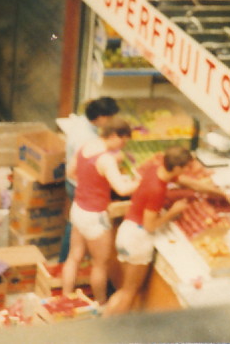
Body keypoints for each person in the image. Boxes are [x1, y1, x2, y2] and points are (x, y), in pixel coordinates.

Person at [102, 146, 194, 317]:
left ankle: (105, 320)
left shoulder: (154, 170)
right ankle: (112, 329)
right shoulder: (157, 191)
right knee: (129, 293)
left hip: (126, 232)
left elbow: (182, 182)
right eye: (185, 168)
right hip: (138, 240)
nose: (186, 171)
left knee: (124, 290)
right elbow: (150, 225)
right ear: (176, 168)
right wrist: (173, 212)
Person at [61, 116, 137, 304]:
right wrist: (141, 181)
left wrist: (90, 184)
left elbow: (71, 172)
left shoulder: (86, 147)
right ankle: (101, 303)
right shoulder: (106, 160)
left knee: (74, 257)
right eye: (122, 141)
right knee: (100, 265)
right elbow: (122, 189)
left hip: (78, 208)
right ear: (113, 136)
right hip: (95, 216)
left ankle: (64, 297)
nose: (123, 146)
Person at [59, 97, 119, 263]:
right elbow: (80, 167)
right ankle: (64, 262)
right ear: (101, 117)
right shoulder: (87, 139)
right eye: (110, 118)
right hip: (79, 185)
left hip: (74, 182)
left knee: (75, 224)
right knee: (77, 227)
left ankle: (67, 262)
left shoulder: (81, 122)